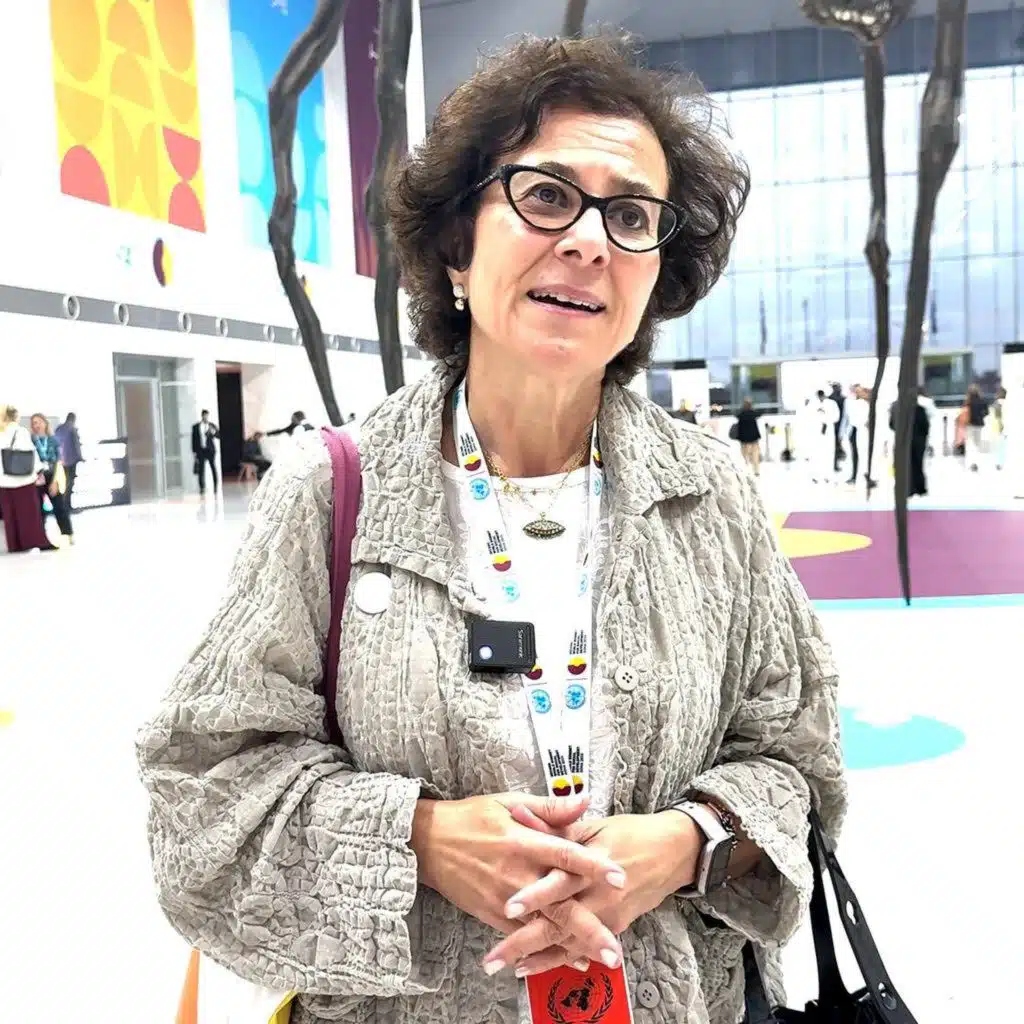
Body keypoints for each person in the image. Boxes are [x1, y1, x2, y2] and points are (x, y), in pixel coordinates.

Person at [137, 35, 846, 1024]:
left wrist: (684, 843)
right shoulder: (331, 492)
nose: (590, 241)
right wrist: (418, 839)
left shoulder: (710, 498)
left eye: (630, 215)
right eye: (546, 195)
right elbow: (202, 791)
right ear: (457, 249)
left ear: (653, 276)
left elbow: (800, 762)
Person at [0, 404, 51, 553]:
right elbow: (30, 453)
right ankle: (34, 541)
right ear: (15, 416)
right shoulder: (20, 431)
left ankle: (15, 544)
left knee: (11, 515)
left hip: (4, 481)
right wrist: (39, 470)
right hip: (23, 479)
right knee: (29, 513)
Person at [30, 413, 74, 544]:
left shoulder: (53, 440)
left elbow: (58, 461)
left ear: (45, 423)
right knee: (38, 510)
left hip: (52, 475)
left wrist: (55, 481)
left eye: (39, 422)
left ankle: (67, 534)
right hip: (37, 476)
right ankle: (41, 538)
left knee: (59, 507)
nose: (37, 425)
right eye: (34, 423)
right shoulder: (31, 441)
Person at [53, 412, 83, 510]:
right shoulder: (72, 429)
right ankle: (67, 506)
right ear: (73, 419)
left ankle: (63, 505)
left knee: (64, 483)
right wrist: (80, 457)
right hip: (71, 460)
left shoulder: (59, 428)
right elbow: (76, 445)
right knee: (70, 483)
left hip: (61, 460)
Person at [191, 409, 219, 496]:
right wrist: (194, 452)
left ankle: (215, 487)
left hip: (210, 450)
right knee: (201, 470)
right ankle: (202, 488)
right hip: (201, 450)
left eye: (207, 416)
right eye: (204, 415)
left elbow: (218, 436)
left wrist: (213, 432)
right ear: (202, 416)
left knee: (213, 467)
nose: (206, 417)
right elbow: (193, 440)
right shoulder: (196, 427)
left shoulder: (211, 425)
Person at [845, 385, 869, 484]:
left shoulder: (865, 404)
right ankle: (854, 476)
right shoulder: (852, 403)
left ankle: (866, 476)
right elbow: (851, 419)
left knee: (864, 454)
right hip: (855, 432)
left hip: (864, 432)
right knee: (855, 455)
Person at [734, 396, 762, 475]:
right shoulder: (753, 413)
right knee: (755, 456)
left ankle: (747, 471)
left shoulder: (741, 414)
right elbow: (759, 414)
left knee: (745, 456)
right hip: (753, 439)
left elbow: (736, 415)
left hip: (744, 440)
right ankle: (756, 471)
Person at [965, 383, 989, 471]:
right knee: (977, 444)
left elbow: (964, 413)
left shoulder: (968, 402)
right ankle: (976, 463)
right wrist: (981, 416)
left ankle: (971, 463)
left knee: (970, 444)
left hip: (970, 425)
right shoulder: (982, 401)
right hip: (979, 425)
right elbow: (987, 412)